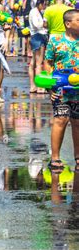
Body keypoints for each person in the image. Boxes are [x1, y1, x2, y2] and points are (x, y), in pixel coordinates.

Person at [43, 9, 79, 174]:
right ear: (68, 23)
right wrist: (50, 87)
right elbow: (48, 63)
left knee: (77, 122)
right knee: (61, 119)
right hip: (61, 88)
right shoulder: (55, 41)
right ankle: (55, 158)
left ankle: (78, 157)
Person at [28, 0, 48, 94]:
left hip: (35, 36)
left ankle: (33, 86)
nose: (45, 6)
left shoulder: (37, 11)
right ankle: (40, 87)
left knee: (33, 63)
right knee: (39, 63)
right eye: (44, 4)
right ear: (40, 3)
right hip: (38, 36)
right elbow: (36, 25)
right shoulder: (34, 12)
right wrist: (44, 23)